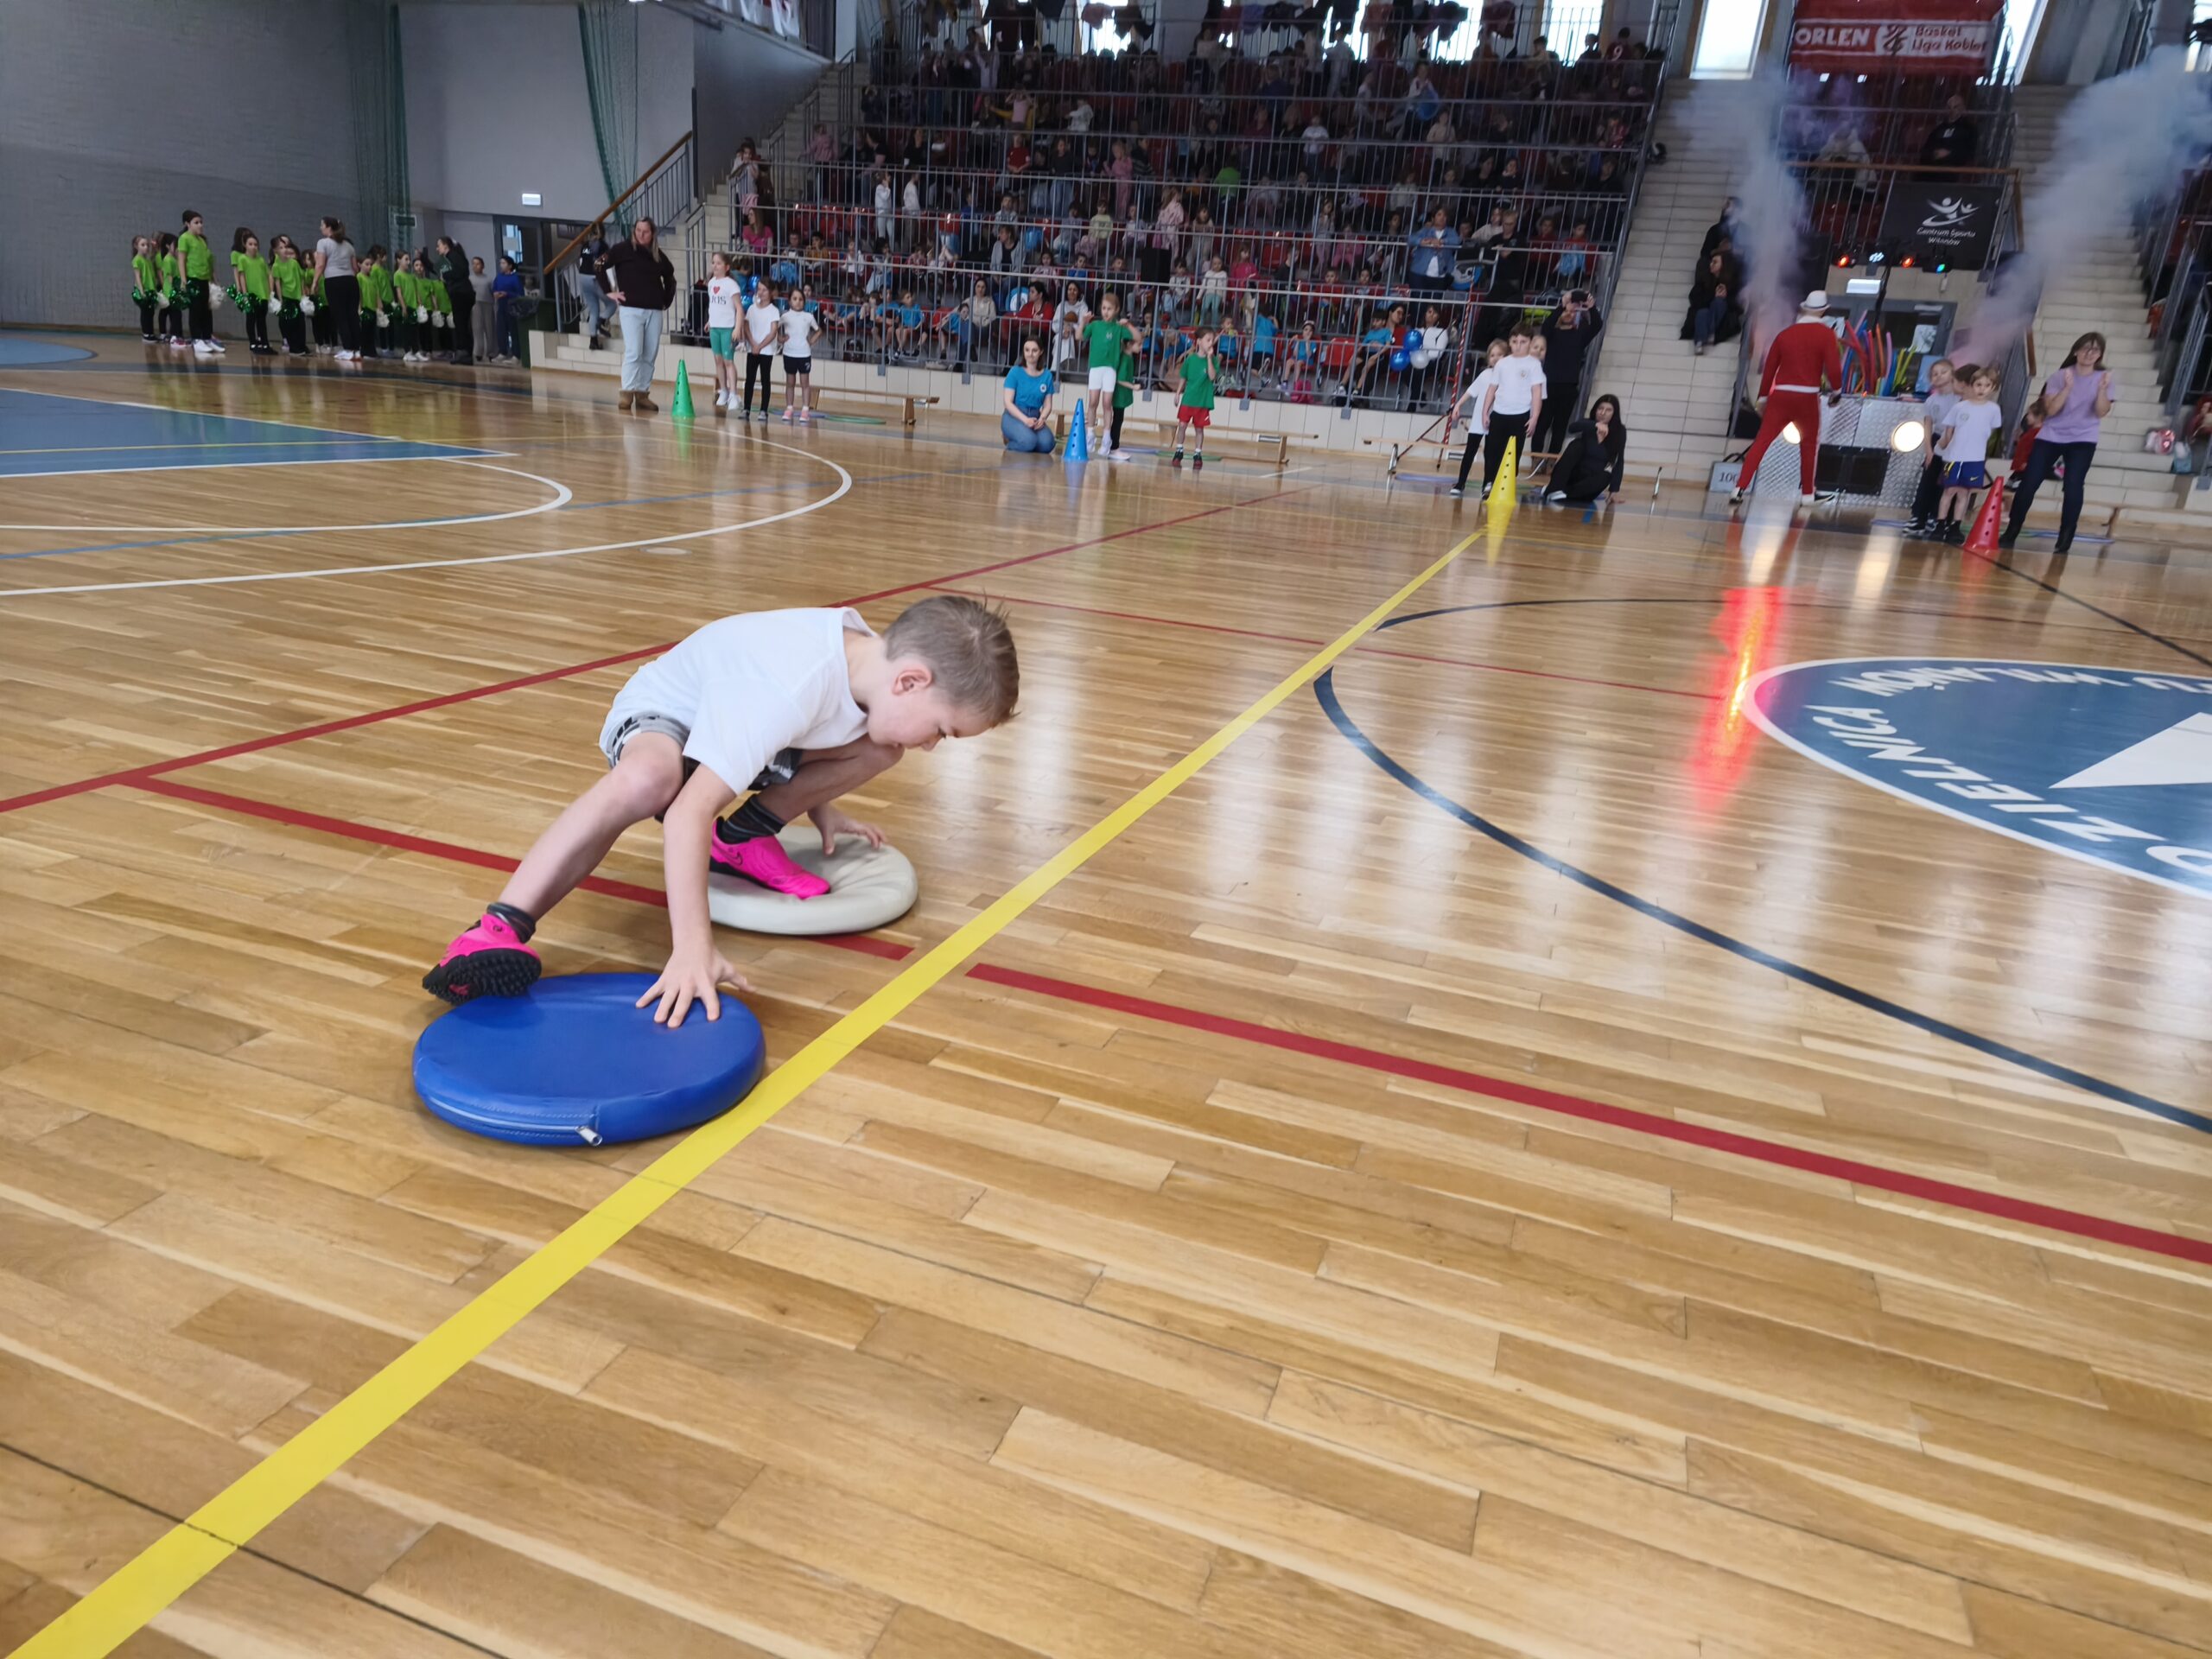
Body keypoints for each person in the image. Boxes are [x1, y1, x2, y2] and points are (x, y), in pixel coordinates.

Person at [422, 596, 1020, 1020]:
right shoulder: (786, 686)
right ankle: (497, 927)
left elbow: (823, 725)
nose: (932, 745)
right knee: (651, 780)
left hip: (740, 725)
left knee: (882, 747)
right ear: (910, 682)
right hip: (666, 719)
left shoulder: (869, 660)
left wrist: (819, 804)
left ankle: (743, 839)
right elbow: (689, 813)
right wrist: (692, 950)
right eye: (942, 730)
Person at [2002, 332, 2116, 554]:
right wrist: (2067, 389)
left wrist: (2102, 389)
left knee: (2073, 486)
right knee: (2029, 482)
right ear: (2076, 351)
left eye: (2095, 350)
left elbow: (2101, 412)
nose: (2089, 353)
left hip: (2083, 438)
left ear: (2100, 355)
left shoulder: (2104, 379)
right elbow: (2051, 411)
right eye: (2085, 348)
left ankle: (2065, 539)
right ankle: (2011, 531)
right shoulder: (2059, 376)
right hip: (2051, 435)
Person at [1729, 289, 1843, 507]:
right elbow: (1833, 369)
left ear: (1804, 309)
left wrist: (1763, 398)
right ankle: (1808, 495)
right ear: (1823, 311)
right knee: (1809, 445)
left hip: (1781, 395)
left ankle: (1738, 488)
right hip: (1807, 397)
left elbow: (1770, 368)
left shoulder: (1786, 334)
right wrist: (1837, 391)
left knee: (1761, 442)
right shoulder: (1827, 334)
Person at [599, 217, 677, 414]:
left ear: (652, 234)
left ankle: (642, 393)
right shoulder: (622, 249)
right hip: (631, 309)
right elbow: (599, 265)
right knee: (634, 351)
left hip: (654, 310)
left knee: (650, 353)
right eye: (638, 230)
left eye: (646, 231)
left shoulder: (657, 255)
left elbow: (670, 275)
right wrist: (609, 291)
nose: (641, 235)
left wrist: (665, 300)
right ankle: (627, 392)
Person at [1930, 365, 2003, 543]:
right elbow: (1949, 431)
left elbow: (1991, 432)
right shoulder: (1960, 407)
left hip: (1974, 458)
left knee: (1964, 493)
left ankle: (1956, 526)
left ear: (1993, 388)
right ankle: (1940, 524)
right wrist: (1944, 447)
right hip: (1954, 457)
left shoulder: (1993, 410)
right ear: (1972, 385)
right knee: (1949, 491)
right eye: (1978, 385)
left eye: (1987, 385)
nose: (1982, 389)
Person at [1478, 325, 1546, 501]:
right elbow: (1492, 389)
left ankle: (1505, 484)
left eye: (1523, 342)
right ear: (1510, 342)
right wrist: (1485, 412)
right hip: (1499, 413)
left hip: (1520, 415)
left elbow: (1536, 392)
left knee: (1513, 453)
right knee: (1492, 451)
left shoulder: (1534, 365)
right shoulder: (1502, 363)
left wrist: (1534, 417)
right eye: (1515, 341)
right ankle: (1488, 483)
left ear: (1530, 343)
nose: (1518, 345)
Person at [1535, 290, 1604, 455]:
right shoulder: (1550, 335)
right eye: (1567, 312)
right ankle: (1536, 459)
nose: (1569, 314)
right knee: (1542, 424)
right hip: (1548, 386)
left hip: (1569, 387)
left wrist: (1591, 307)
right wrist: (1562, 306)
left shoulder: (1579, 335)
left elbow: (1597, 325)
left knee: (1560, 427)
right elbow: (1547, 325)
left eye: (1573, 312)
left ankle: (1551, 460)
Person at [1903, 358, 1958, 537]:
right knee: (1928, 479)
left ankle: (1937, 517)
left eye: (1943, 372)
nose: (1939, 376)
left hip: (1954, 442)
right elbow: (1928, 424)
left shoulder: (1959, 399)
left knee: (1946, 482)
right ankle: (1919, 517)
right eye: (1935, 374)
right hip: (1936, 440)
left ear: (1952, 374)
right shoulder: (1931, 400)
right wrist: (1928, 449)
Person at [1081, 293, 1140, 458]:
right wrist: (1083, 322)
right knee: (1093, 402)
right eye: (1104, 308)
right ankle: (1090, 434)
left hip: (1110, 370)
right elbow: (1080, 336)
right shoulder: (1095, 325)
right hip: (1095, 368)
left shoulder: (1118, 328)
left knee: (1107, 403)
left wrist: (1128, 324)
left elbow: (1137, 337)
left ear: (1116, 310)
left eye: (1110, 309)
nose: (1106, 312)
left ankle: (1107, 438)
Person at [1447, 338, 1508, 497]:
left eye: (1499, 354)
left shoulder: (1508, 377)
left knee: (1491, 454)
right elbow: (1471, 391)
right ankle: (1461, 483)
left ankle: (1487, 485)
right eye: (1492, 355)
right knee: (1470, 451)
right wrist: (1458, 405)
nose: (1495, 358)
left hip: (1496, 420)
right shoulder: (1485, 374)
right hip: (1478, 421)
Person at [1546, 394, 1627, 504]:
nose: (1603, 413)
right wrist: (1595, 425)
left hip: (1588, 484)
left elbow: (1619, 461)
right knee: (1576, 444)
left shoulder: (1620, 431)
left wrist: (1614, 490)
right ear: (1595, 410)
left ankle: (1564, 493)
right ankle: (1554, 490)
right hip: (1573, 475)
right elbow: (1572, 428)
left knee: (1606, 476)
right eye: (1600, 408)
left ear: (1614, 413)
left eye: (1608, 410)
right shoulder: (1588, 424)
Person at [1171, 326, 1220, 466]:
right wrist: (1178, 393)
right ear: (1199, 342)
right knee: (1182, 425)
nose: (1210, 343)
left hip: (1202, 401)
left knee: (1199, 429)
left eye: (1212, 340)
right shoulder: (1190, 359)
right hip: (1189, 398)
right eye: (1207, 340)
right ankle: (1179, 450)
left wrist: (1209, 358)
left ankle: (1197, 453)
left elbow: (1212, 377)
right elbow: (1183, 377)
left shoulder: (1213, 360)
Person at [313, 217, 359, 362]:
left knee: (341, 316)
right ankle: (357, 350)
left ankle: (348, 349)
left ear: (329, 227)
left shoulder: (323, 243)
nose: (320, 228)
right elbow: (355, 268)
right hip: (351, 282)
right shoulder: (349, 245)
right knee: (352, 315)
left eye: (322, 225)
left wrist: (315, 282)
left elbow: (320, 265)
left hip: (334, 281)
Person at [176, 210, 221, 355]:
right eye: (196, 222)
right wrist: (184, 279)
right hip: (192, 278)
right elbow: (181, 260)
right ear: (187, 224)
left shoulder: (202, 241)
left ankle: (207, 338)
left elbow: (207, 261)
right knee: (195, 309)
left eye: (201, 222)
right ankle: (196, 339)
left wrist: (212, 279)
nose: (200, 225)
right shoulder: (184, 238)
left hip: (204, 279)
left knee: (206, 310)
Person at [1001, 334, 1057, 451]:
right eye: (1027, 350)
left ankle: (1026, 442)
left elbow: (1048, 405)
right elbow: (1008, 402)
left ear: (1041, 352)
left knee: (1048, 444)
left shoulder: (1047, 375)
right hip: (1014, 416)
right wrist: (1025, 420)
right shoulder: (1015, 372)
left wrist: (1042, 418)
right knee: (1029, 442)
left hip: (1035, 417)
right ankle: (1011, 443)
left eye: (1034, 350)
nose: (1030, 354)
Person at [704, 251, 742, 415]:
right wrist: (710, 321)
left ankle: (734, 394)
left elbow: (739, 308)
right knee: (718, 360)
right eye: (713, 262)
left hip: (727, 328)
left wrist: (737, 328)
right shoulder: (711, 283)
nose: (715, 266)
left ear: (727, 267)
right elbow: (714, 306)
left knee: (728, 361)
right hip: (715, 328)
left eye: (719, 263)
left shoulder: (731, 285)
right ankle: (724, 391)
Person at [1685, 249, 1742, 354]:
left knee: (1719, 302)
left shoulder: (1733, 283)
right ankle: (1703, 339)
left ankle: (1704, 338)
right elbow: (1694, 298)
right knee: (1702, 313)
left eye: (1715, 262)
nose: (1711, 264)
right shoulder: (1705, 280)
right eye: (1711, 262)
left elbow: (1738, 306)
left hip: (1724, 321)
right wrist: (1713, 296)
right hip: (1704, 314)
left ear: (1723, 264)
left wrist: (1725, 297)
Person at [228, 228, 271, 355]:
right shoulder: (242, 258)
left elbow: (268, 274)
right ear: (245, 245)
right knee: (251, 318)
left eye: (255, 244)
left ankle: (265, 343)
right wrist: (244, 293)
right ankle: (253, 342)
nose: (253, 247)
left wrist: (269, 291)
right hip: (252, 294)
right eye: (250, 244)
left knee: (262, 320)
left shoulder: (261, 259)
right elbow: (240, 275)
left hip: (263, 293)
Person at [779, 289, 820, 423]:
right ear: (790, 301)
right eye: (795, 299)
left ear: (804, 302)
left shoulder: (808, 316)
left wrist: (811, 341)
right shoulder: (785, 316)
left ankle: (805, 410)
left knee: (805, 383)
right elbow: (774, 328)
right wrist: (780, 339)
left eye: (801, 299)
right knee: (790, 382)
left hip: (804, 354)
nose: (798, 302)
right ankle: (789, 408)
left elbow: (818, 331)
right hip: (789, 353)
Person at [742, 278, 780, 421]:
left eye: (764, 290)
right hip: (752, 349)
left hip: (766, 351)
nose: (761, 292)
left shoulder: (773, 311)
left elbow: (773, 332)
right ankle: (746, 408)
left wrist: (760, 346)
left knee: (765, 380)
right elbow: (746, 327)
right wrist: (753, 344)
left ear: (771, 292)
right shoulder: (752, 309)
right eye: (759, 289)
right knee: (750, 379)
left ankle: (764, 410)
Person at [436, 236, 476, 363]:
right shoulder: (450, 258)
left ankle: (463, 351)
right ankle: (466, 353)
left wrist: (445, 276)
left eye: (439, 245)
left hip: (460, 293)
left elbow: (460, 272)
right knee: (463, 323)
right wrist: (424, 259)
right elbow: (437, 269)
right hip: (463, 293)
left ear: (446, 246)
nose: (437, 248)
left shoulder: (453, 256)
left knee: (460, 323)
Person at [1407, 206, 1459, 300]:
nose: (1442, 218)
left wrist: (1442, 241)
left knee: (1434, 304)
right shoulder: (1425, 231)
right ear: (1433, 218)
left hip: (1440, 276)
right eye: (1439, 215)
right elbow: (1410, 239)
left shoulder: (1451, 232)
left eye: (1445, 216)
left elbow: (1457, 240)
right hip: (1419, 273)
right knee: (1417, 303)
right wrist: (1421, 241)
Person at [1920, 94, 1979, 176]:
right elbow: (1926, 148)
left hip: (1954, 171)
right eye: (1949, 107)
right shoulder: (1939, 129)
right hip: (1933, 169)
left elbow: (1969, 152)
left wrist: (1949, 153)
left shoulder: (1969, 129)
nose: (1951, 110)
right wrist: (1934, 154)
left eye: (1955, 107)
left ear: (1963, 109)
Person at [269, 235, 308, 356]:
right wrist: (281, 300)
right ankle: (293, 348)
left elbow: (300, 278)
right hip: (287, 296)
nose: (284, 250)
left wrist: (303, 294)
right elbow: (278, 283)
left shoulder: (294, 263)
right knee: (290, 323)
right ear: (275, 251)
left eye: (285, 247)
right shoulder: (276, 266)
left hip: (297, 296)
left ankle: (301, 346)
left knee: (300, 322)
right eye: (281, 248)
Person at [576, 229, 615, 344]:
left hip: (583, 278)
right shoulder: (603, 246)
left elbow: (581, 262)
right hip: (595, 278)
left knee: (593, 310)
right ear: (602, 233)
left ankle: (593, 341)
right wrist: (612, 284)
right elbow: (606, 266)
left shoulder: (585, 245)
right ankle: (600, 321)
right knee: (612, 304)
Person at [154, 232, 184, 347]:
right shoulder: (167, 260)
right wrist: (173, 292)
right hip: (171, 291)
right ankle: (174, 337)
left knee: (177, 314)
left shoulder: (174, 259)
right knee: (175, 315)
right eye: (174, 245)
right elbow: (169, 277)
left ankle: (178, 335)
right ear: (167, 246)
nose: (177, 248)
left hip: (175, 290)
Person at [493, 257, 524, 363]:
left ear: (510, 266)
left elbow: (520, 294)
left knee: (513, 331)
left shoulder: (515, 278)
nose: (501, 265)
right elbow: (494, 288)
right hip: (501, 306)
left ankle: (516, 354)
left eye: (503, 263)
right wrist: (495, 293)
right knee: (501, 330)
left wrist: (507, 294)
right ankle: (502, 352)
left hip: (512, 307)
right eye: (500, 263)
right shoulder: (499, 277)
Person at [130, 234, 162, 342]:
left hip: (151, 289)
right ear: (136, 246)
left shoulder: (148, 260)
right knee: (145, 312)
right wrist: (141, 291)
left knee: (151, 312)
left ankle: (150, 333)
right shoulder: (137, 260)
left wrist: (154, 246)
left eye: (147, 245)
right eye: (142, 245)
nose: (146, 247)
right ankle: (146, 334)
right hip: (143, 290)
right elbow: (138, 277)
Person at [469, 255, 497, 364]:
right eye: (474, 264)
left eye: (478, 264)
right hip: (475, 304)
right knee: (477, 329)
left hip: (488, 304)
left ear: (482, 266)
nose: (475, 266)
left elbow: (493, 292)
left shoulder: (489, 279)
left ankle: (491, 353)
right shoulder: (470, 279)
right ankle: (478, 352)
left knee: (489, 329)